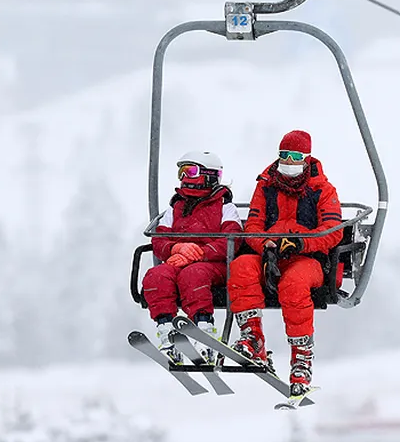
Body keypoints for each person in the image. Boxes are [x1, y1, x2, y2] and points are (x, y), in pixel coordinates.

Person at [227, 129, 343, 398]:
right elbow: (253, 225)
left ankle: (301, 359)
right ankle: (252, 338)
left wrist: (302, 243)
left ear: (307, 159)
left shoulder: (322, 190)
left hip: (307, 259)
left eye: (295, 157)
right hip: (270, 255)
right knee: (242, 267)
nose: (289, 162)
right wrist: (266, 245)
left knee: (294, 283)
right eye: (284, 155)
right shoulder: (266, 186)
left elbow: (333, 231)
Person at [142, 150, 242, 364]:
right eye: (182, 172)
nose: (184, 177)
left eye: (191, 171)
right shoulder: (176, 207)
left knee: (193, 275)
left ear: (210, 175)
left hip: (213, 265)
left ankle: (204, 330)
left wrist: (200, 253)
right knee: (156, 275)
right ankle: (167, 330)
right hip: (178, 261)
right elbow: (159, 239)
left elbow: (231, 240)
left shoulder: (225, 207)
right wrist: (175, 248)